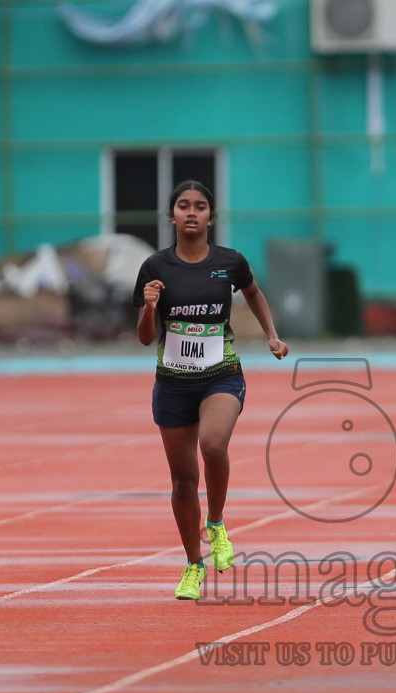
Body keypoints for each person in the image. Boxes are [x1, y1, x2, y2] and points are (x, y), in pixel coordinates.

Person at [132, 180, 289, 601]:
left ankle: (216, 523)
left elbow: (254, 293)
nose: (191, 213)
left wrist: (272, 335)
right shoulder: (155, 268)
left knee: (214, 444)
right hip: (172, 383)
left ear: (211, 217)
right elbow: (146, 338)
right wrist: (149, 308)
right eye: (182, 206)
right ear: (171, 216)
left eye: (200, 206)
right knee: (183, 481)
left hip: (221, 373)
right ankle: (192, 565)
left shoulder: (229, 262)